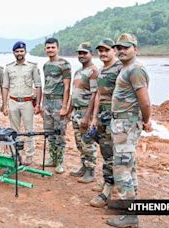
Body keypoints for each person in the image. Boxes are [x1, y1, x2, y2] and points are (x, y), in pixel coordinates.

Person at [106, 33, 152, 228]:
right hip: (121, 124)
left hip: (126, 124)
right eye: (119, 47)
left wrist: (147, 120)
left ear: (135, 48)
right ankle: (130, 207)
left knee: (122, 168)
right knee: (128, 166)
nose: (121, 50)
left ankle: (130, 216)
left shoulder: (135, 70)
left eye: (126, 47)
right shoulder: (126, 68)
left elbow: (145, 101)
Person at [89, 38, 122, 208]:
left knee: (111, 154)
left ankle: (108, 190)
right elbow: (99, 95)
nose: (102, 53)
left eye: (106, 50)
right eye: (100, 51)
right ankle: (108, 182)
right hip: (103, 117)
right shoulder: (102, 70)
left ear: (114, 50)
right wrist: (94, 117)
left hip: (116, 119)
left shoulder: (120, 69)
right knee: (105, 151)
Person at [1, 41, 42, 165]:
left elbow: (38, 86)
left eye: (21, 51)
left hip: (27, 103)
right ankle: (16, 154)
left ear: (25, 52)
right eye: (17, 51)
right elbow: (5, 87)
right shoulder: (8, 68)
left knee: (29, 130)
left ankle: (29, 155)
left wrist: (38, 104)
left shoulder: (32, 66)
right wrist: (4, 104)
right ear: (14, 53)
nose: (19, 53)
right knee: (14, 131)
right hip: (13, 101)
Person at [68, 42, 99, 183]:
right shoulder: (78, 72)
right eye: (79, 53)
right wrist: (69, 111)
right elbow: (74, 94)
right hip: (76, 112)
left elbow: (94, 94)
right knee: (79, 143)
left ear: (91, 54)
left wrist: (88, 116)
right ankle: (84, 166)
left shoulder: (93, 72)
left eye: (84, 53)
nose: (81, 55)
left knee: (88, 142)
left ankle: (91, 171)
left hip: (86, 112)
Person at [42, 38, 71, 174]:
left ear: (58, 48)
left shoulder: (64, 64)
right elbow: (46, 85)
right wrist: (42, 105)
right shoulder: (46, 65)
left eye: (53, 47)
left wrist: (65, 106)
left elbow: (67, 87)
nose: (50, 50)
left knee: (60, 133)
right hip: (47, 102)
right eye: (48, 48)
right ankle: (52, 158)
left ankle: (60, 161)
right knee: (49, 133)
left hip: (58, 102)